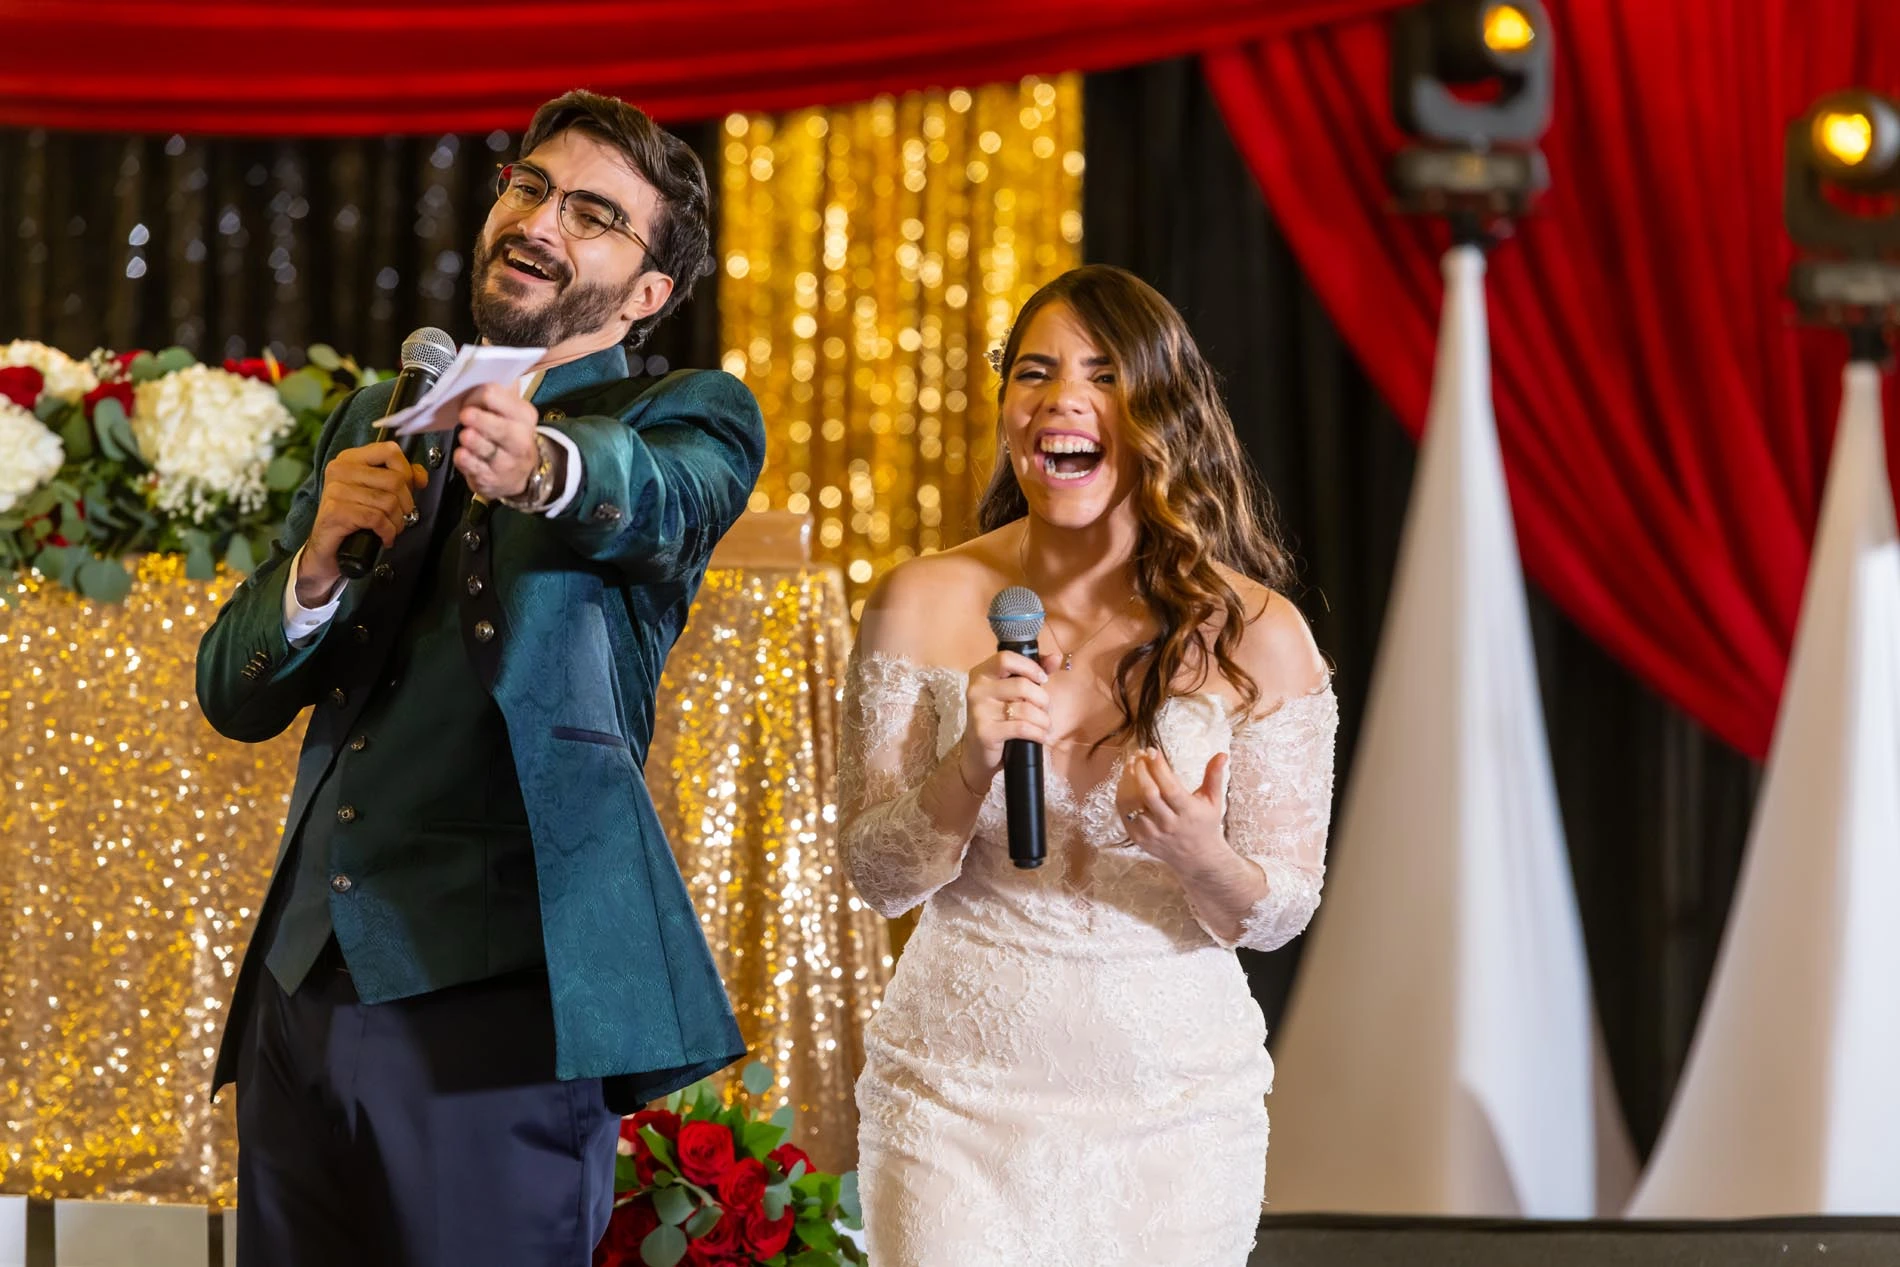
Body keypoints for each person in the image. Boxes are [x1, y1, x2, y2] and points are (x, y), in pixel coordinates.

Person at [195, 90, 764, 1266]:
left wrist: (546, 463)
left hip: (497, 1008)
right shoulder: (375, 414)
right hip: (303, 990)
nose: (542, 220)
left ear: (648, 291)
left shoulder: (677, 418)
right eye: (530, 185)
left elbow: (658, 502)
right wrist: (313, 565)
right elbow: (233, 692)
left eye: (595, 213)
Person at [840, 264, 1338, 1266]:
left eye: (1101, 375)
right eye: (1034, 372)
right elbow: (876, 875)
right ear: (1007, 409)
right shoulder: (921, 599)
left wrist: (1203, 854)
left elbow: (1277, 911)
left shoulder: (1258, 633)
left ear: (1162, 411)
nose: (1061, 397)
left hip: (1176, 1116)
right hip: (950, 1101)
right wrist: (968, 762)